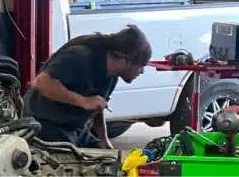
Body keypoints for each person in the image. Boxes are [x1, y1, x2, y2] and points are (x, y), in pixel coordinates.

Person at [23, 25, 152, 149]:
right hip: (44, 125)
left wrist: (104, 140)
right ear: (127, 60)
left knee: (106, 159)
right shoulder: (79, 56)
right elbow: (41, 82)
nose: (141, 72)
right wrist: (83, 101)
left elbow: (97, 105)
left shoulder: (112, 76)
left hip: (75, 129)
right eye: (140, 67)